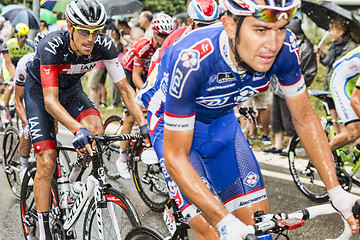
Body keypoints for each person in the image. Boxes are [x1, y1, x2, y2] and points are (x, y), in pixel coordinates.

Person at [137, 0, 360, 239]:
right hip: (170, 127)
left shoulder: (286, 49)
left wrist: (335, 191)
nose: (272, 45)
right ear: (230, 26)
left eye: (281, 27)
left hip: (222, 123)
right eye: (261, 30)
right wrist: (223, 221)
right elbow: (176, 156)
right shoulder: (193, 58)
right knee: (213, 229)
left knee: (259, 229)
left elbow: (305, 118)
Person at [24, 0, 149, 239]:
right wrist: (75, 128)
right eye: (83, 31)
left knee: (97, 130)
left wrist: (143, 124)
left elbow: (124, 89)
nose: (90, 39)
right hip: (41, 93)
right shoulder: (51, 46)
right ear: (70, 27)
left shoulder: (105, 45)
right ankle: (43, 230)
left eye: (95, 31)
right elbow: (50, 101)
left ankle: (70, 183)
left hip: (71, 91)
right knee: (47, 160)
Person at [117, 13, 175, 179]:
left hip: (148, 73)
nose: (164, 40)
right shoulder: (145, 45)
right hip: (129, 72)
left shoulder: (170, 46)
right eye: (162, 36)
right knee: (130, 115)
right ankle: (121, 158)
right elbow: (135, 78)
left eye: (168, 36)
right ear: (154, 34)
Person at [264, 15, 317, 155]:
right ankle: (278, 144)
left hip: (291, 87)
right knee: (276, 117)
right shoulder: (280, 42)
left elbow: (310, 71)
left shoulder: (305, 47)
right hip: (276, 86)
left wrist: (298, 83)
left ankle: (290, 145)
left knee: (290, 118)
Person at [314, 17, 358, 135]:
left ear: (340, 32)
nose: (329, 33)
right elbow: (328, 62)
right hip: (329, 85)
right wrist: (321, 53)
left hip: (343, 87)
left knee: (341, 117)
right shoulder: (334, 46)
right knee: (332, 115)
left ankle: (344, 142)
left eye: (331, 30)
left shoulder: (351, 47)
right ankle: (336, 143)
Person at [15, 32, 49, 179]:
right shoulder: (24, 63)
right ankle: (23, 165)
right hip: (29, 95)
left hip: (45, 96)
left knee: (52, 126)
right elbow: (18, 99)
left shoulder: (56, 62)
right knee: (29, 129)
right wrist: (26, 122)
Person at [329, 46, 360, 153]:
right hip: (341, 83)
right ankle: (319, 157)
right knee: (354, 132)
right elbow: (355, 100)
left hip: (355, 82)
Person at [2, 23, 34, 109]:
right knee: (10, 86)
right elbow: (7, 62)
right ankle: (5, 108)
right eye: (21, 36)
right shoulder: (9, 43)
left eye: (25, 36)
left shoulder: (30, 45)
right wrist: (14, 76)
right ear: (16, 36)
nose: (23, 39)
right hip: (9, 66)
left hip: (22, 66)